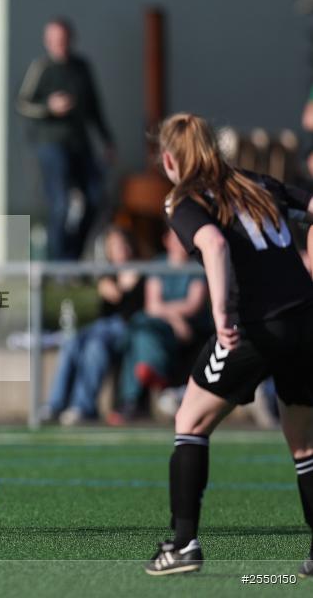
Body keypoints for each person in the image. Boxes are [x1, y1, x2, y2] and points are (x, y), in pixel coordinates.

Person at [145, 113, 313, 577]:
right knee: (304, 444)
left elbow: (215, 246)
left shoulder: (183, 198)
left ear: (171, 158)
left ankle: (182, 546)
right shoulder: (254, 181)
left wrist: (222, 316)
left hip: (256, 325)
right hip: (305, 318)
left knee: (189, 420)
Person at [17, 17, 114, 260]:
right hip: (51, 145)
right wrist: (50, 107)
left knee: (94, 198)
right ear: (47, 42)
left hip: (80, 144)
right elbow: (22, 103)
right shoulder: (42, 68)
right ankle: (57, 264)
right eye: (55, 40)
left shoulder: (82, 67)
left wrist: (106, 139)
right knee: (60, 203)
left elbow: (94, 107)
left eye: (64, 39)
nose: (60, 45)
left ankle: (72, 257)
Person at [44, 227, 144, 425]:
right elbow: (95, 305)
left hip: (126, 329)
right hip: (100, 328)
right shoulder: (104, 275)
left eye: (122, 244)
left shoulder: (143, 272)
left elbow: (131, 309)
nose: (119, 249)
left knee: (95, 347)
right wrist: (101, 288)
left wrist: (124, 288)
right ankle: (55, 405)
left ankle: (82, 407)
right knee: (71, 342)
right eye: (114, 245)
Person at [111, 229, 209, 424]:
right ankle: (153, 369)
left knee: (138, 332)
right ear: (166, 240)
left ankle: (133, 397)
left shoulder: (197, 267)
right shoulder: (158, 264)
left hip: (189, 331)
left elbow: (192, 304)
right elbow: (152, 306)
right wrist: (175, 320)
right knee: (140, 327)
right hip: (167, 326)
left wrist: (171, 316)